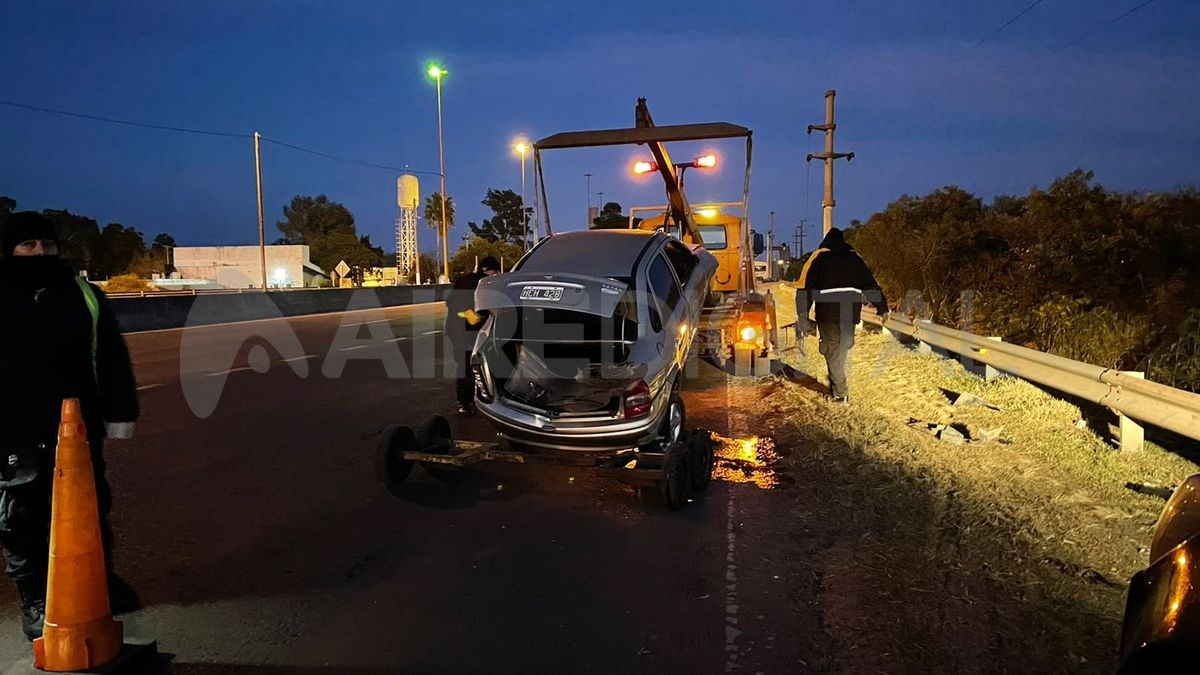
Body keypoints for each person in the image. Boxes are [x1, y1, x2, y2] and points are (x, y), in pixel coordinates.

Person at [0, 211, 140, 641]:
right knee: (19, 515)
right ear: (10, 250)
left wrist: (121, 411)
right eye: (28, 246)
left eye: (47, 245)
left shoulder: (84, 294)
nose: (40, 253)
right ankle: (36, 599)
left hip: (77, 426)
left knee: (90, 505)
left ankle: (98, 580)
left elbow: (111, 355)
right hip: (12, 428)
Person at [795, 227, 888, 403]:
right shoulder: (855, 260)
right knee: (840, 350)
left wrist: (803, 315)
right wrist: (882, 307)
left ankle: (841, 393)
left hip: (827, 314)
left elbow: (806, 290)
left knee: (832, 352)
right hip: (849, 314)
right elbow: (870, 285)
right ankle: (838, 386)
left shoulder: (819, 260)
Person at [444, 256, 501, 414]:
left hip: (455, 331)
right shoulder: (483, 284)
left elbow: (450, 304)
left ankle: (463, 402)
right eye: (495, 272)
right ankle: (471, 402)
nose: (496, 276)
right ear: (489, 271)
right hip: (467, 332)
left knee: (463, 367)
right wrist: (472, 318)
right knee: (473, 367)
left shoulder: (465, 280)